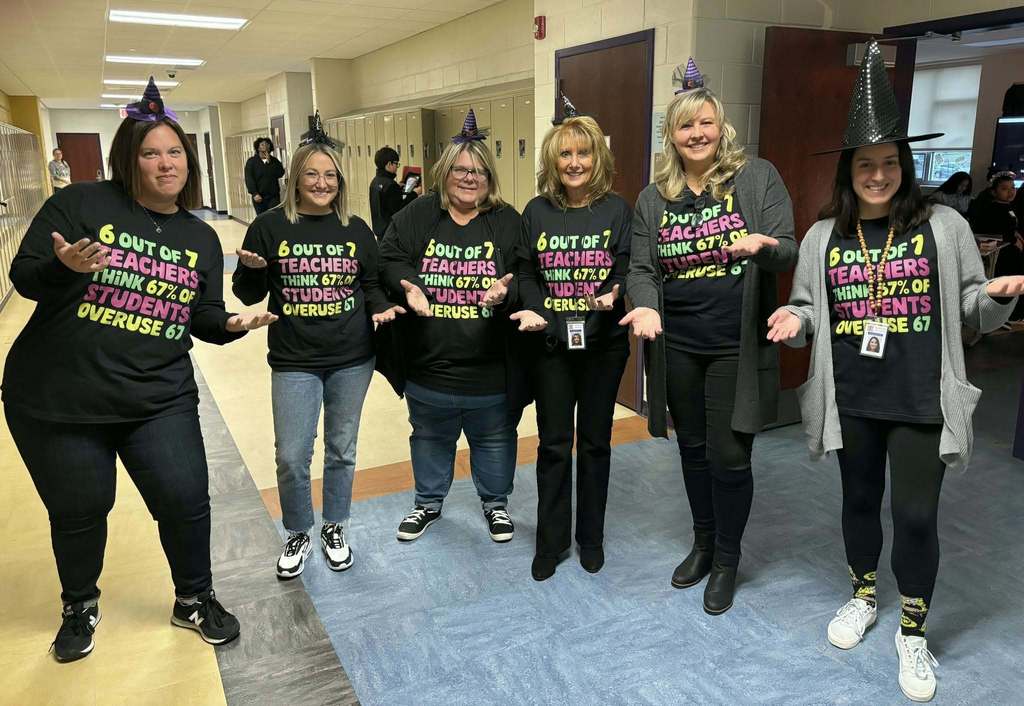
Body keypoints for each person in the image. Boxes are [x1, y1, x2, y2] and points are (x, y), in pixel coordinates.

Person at [767, 42, 1024, 703]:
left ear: (904, 167)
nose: (876, 175)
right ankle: (862, 595)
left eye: (888, 163)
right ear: (848, 170)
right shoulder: (825, 236)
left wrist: (997, 300)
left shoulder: (942, 226)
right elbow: (805, 306)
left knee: (913, 515)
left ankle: (913, 630)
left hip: (919, 399)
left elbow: (970, 307)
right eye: (865, 164)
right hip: (851, 399)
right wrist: (797, 322)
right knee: (857, 504)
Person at [1, 78, 277, 663]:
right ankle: (79, 604)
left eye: (174, 151)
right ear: (127, 158)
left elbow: (197, 314)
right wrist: (66, 266)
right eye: (150, 152)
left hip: (157, 396)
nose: (164, 162)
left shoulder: (199, 237)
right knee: (80, 508)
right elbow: (25, 276)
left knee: (185, 498)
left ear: (188, 159)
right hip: (58, 400)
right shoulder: (80, 204)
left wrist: (227, 325)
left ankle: (194, 598)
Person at [624, 60, 796, 614]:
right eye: (684, 126)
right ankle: (701, 543)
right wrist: (646, 308)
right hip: (679, 345)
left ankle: (726, 558)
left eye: (705, 123)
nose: (696, 134)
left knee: (729, 454)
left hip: (734, 346)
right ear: (670, 136)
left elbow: (789, 247)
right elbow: (641, 268)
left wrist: (763, 247)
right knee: (693, 450)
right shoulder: (656, 197)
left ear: (722, 127)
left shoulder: (757, 176)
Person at [233, 113, 403, 578]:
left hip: (352, 357)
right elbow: (247, 293)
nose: (322, 182)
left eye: (330, 175)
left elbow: (368, 283)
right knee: (291, 454)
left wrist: (380, 307)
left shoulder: (355, 229)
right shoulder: (269, 227)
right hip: (293, 359)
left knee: (341, 448)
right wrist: (250, 267)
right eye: (312, 173)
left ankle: (334, 525)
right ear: (296, 177)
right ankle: (297, 531)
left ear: (340, 180)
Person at [378, 109, 528, 544]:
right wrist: (408, 285)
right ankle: (427, 503)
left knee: (495, 440)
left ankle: (495, 505)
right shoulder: (419, 214)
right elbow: (389, 257)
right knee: (429, 437)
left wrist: (508, 292)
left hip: (490, 367)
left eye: (479, 171)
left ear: (489, 177)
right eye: (461, 169)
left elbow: (526, 272)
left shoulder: (505, 220)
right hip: (430, 363)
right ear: (445, 172)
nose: (470, 177)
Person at [514, 98, 632, 581]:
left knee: (597, 443)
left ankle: (592, 538)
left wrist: (613, 295)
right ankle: (551, 541)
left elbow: (624, 268)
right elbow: (525, 272)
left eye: (584, 153)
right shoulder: (536, 211)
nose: (575, 163)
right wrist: (542, 315)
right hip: (551, 348)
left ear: (598, 159)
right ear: (552, 161)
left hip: (603, 347)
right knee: (555, 444)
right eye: (565, 155)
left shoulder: (617, 210)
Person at [968, 172, 1023, 322]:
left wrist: (1016, 234)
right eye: (1005, 189)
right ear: (994, 191)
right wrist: (1012, 239)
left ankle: (1014, 312)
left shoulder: (1008, 206)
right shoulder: (993, 208)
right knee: (1007, 283)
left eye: (1013, 187)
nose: (1011, 191)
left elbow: (1011, 226)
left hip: (1012, 250)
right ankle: (1006, 316)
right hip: (1001, 254)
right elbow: (994, 229)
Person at [369, 146, 421, 239]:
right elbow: (400, 209)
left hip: (380, 232)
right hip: (391, 233)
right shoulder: (390, 185)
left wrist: (397, 188)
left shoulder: (375, 181)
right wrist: (415, 194)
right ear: (389, 164)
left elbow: (386, 201)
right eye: (396, 164)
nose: (397, 167)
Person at [245, 137, 286, 215]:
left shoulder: (274, 161)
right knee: (262, 218)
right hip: (259, 196)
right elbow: (249, 178)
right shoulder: (252, 161)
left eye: (267, 144)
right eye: (262, 144)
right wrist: (254, 193)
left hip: (273, 196)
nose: (265, 146)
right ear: (258, 147)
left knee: (275, 216)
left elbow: (280, 173)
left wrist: (270, 162)